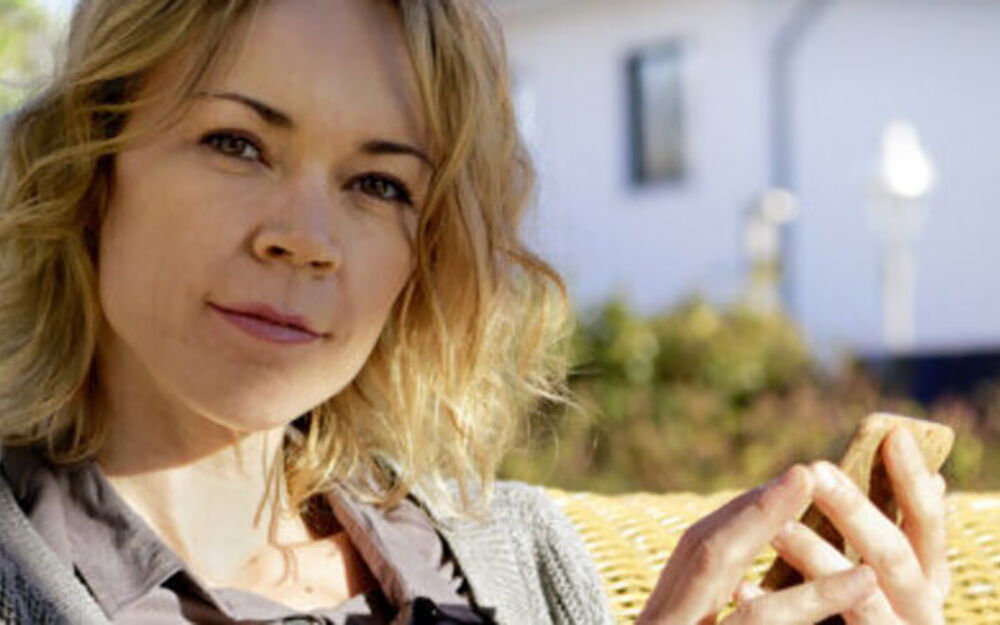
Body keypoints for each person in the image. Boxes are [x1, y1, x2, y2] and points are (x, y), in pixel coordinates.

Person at [0, 0, 949, 623]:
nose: (307, 237)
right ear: (93, 163)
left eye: (379, 183)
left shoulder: (527, 557)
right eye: (237, 143)